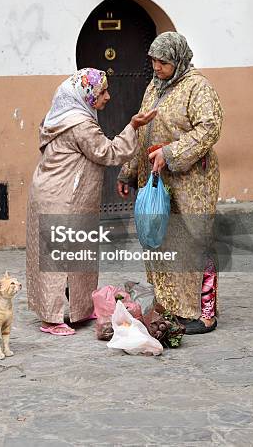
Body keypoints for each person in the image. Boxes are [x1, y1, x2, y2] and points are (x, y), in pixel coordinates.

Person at [26, 67, 155, 336]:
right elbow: (108, 152)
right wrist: (132, 127)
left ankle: (81, 309)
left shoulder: (62, 116)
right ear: (86, 95)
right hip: (61, 198)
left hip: (61, 194)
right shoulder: (80, 124)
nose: (107, 96)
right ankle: (51, 319)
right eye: (101, 92)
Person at [117, 32, 223, 334]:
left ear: (177, 60)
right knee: (159, 241)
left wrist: (171, 152)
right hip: (155, 178)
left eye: (162, 61)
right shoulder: (154, 86)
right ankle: (171, 306)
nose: (156, 66)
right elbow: (144, 131)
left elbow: (210, 128)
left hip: (191, 181)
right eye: (152, 60)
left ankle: (203, 313)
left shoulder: (198, 87)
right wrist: (129, 170)